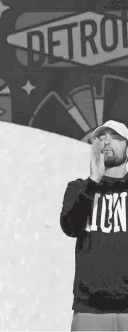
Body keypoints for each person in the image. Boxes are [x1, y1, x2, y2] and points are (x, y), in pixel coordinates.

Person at [60, 120, 128, 331]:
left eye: (115, 138)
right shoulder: (79, 187)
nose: (107, 142)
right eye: (102, 138)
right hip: (90, 309)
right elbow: (71, 227)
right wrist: (94, 180)